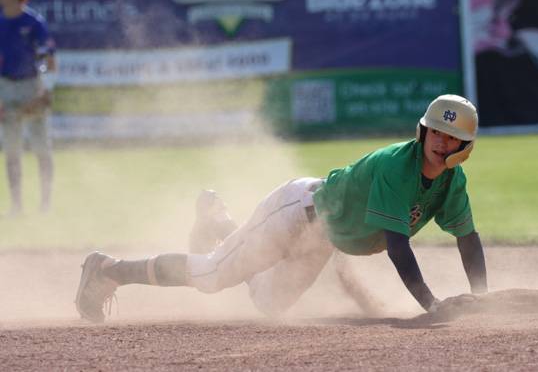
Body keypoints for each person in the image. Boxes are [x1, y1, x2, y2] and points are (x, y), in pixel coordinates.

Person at [75, 94, 488, 322]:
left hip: (320, 235)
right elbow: (398, 247)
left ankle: (219, 220)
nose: (439, 140)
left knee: (270, 305)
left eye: (450, 136)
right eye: (435, 130)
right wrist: (432, 306)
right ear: (423, 129)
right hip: (296, 212)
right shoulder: (400, 168)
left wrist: (482, 298)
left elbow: (467, 238)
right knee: (213, 274)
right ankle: (109, 269)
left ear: (463, 148)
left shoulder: (451, 183)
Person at [0, 0, 56, 216]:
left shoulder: (33, 23)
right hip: (6, 88)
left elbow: (48, 59)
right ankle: (16, 206)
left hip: (32, 86)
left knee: (41, 149)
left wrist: (45, 91)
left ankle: (45, 204)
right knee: (11, 152)